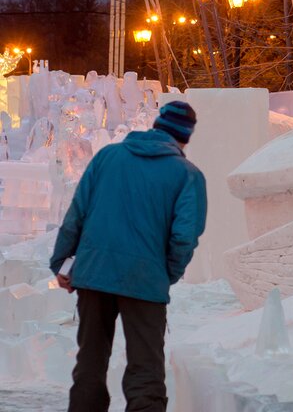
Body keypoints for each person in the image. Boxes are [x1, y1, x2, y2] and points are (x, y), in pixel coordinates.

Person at [50, 100, 207, 412]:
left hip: (95, 274)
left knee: (90, 364)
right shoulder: (188, 175)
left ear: (156, 126)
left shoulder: (108, 156)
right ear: (186, 137)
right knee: (145, 371)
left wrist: (62, 262)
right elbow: (184, 236)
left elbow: (76, 214)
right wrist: (167, 273)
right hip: (145, 280)